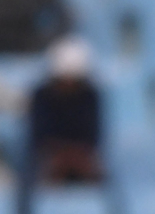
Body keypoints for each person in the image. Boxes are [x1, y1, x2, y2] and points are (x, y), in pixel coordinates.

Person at [29, 36, 103, 184]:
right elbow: (39, 133)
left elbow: (92, 133)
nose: (68, 83)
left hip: (81, 153)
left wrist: (76, 153)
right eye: (64, 78)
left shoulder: (90, 95)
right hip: (51, 154)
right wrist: (58, 151)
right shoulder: (42, 95)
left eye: (73, 79)